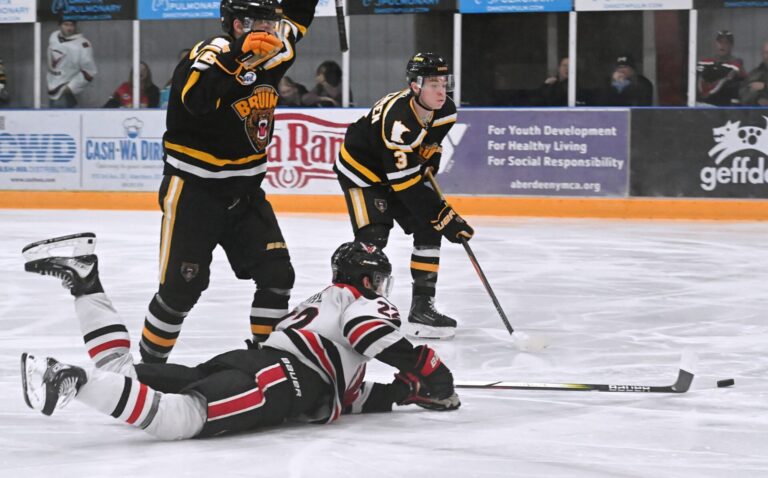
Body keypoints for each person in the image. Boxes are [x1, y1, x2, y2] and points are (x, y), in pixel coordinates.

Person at [20, 234, 460, 440]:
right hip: (284, 381)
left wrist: (397, 394)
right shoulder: (359, 303)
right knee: (183, 419)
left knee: (123, 373)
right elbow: (366, 333)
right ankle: (68, 379)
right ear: (369, 280)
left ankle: (85, 281)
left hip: (255, 363)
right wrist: (427, 369)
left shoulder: (322, 302)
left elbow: (347, 390)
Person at [140, 0, 318, 364]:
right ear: (238, 24)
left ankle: (267, 361)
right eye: (262, 21)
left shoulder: (275, 50)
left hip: (246, 194)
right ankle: (148, 369)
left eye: (272, 21)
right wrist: (237, 55)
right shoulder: (212, 52)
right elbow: (194, 99)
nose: (271, 28)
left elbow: (298, 16)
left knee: (277, 275)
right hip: (194, 192)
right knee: (179, 291)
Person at [333, 52, 474, 340]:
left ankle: (422, 307)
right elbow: (405, 186)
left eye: (444, 82)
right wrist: (445, 217)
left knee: (428, 228)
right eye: (433, 83)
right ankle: (357, 309)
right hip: (363, 173)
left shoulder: (446, 110)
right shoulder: (399, 122)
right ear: (415, 86)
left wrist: (430, 161)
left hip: (395, 170)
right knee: (372, 238)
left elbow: (429, 148)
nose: (441, 90)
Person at [46, 20, 98, 108]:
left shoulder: (83, 45)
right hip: (52, 87)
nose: (69, 28)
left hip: (65, 90)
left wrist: (69, 87)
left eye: (72, 25)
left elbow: (90, 72)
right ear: (60, 25)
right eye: (66, 24)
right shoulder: (54, 36)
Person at [696, 30, 746, 107]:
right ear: (716, 44)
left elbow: (742, 88)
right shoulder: (703, 63)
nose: (722, 46)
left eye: (726, 43)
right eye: (720, 42)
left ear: (731, 45)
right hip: (697, 106)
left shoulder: (736, 67)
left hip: (721, 110)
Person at [739, 41, 768, 106]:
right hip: (758, 114)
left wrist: (764, 86)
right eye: (766, 53)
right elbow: (744, 99)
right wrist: (756, 99)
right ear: (762, 54)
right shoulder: (754, 75)